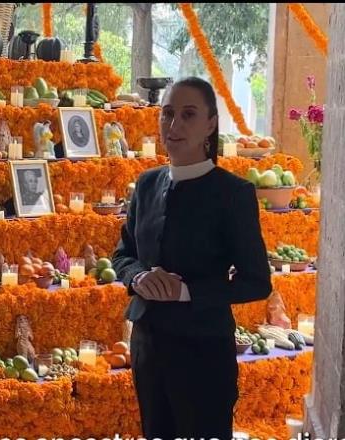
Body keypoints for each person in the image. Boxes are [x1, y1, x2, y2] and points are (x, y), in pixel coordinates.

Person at [112, 77, 272, 439]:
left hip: (204, 350)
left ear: (211, 124)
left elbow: (256, 281)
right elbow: (123, 254)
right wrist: (137, 277)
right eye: (167, 114)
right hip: (148, 346)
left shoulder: (233, 194)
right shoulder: (147, 184)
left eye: (188, 114)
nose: (174, 125)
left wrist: (186, 292)